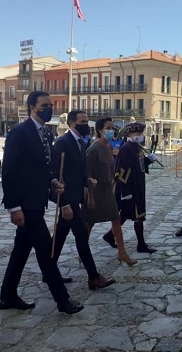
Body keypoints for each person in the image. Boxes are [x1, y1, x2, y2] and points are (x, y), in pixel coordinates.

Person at [0, 91, 84, 315]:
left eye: (51, 105)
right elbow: (8, 171)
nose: (49, 108)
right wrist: (13, 207)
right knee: (46, 252)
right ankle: (62, 300)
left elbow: (44, 167)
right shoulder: (19, 133)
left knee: (21, 251)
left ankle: (7, 294)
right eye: (44, 105)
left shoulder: (46, 133)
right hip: (25, 205)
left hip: (38, 201)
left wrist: (54, 182)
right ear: (31, 107)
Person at [50, 110, 116, 290]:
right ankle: (93, 276)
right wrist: (63, 203)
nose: (86, 124)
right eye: (83, 121)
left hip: (75, 196)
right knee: (80, 236)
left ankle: (49, 272)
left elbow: (76, 171)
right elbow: (56, 174)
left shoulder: (81, 142)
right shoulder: (63, 143)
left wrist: (87, 181)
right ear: (72, 124)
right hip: (67, 199)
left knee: (60, 235)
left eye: (87, 121)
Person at [82, 117, 137, 266]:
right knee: (89, 223)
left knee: (116, 220)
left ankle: (122, 253)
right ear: (100, 130)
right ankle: (83, 253)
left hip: (107, 190)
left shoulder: (108, 147)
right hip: (95, 191)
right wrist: (91, 197)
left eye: (113, 127)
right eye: (108, 127)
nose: (111, 130)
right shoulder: (93, 149)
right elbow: (87, 174)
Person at [113, 122, 158, 253]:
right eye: (137, 133)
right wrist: (125, 192)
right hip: (131, 187)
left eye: (141, 133)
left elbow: (139, 165)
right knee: (138, 215)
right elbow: (121, 170)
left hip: (138, 184)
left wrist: (149, 160)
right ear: (130, 134)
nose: (140, 135)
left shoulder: (136, 147)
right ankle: (141, 245)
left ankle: (109, 236)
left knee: (127, 214)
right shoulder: (127, 148)